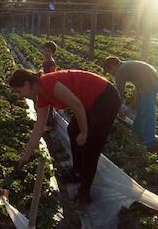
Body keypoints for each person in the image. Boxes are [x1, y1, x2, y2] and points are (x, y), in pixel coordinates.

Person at [9, 69, 121, 206]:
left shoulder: (48, 82)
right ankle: (76, 173)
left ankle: (85, 192)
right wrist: (25, 156)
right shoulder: (42, 96)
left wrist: (84, 132)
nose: (20, 96)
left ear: (26, 85)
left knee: (91, 144)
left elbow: (77, 105)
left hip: (105, 97)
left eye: (19, 91)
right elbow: (39, 128)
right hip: (89, 102)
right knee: (73, 130)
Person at [103, 57, 158, 150]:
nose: (110, 74)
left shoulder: (121, 70)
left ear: (112, 66)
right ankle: (136, 133)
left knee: (147, 112)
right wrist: (135, 100)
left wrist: (120, 108)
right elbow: (138, 82)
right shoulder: (126, 66)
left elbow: (119, 92)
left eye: (109, 71)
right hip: (149, 81)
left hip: (150, 83)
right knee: (141, 110)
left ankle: (150, 142)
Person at [41, 41, 57, 130]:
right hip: (44, 84)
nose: (46, 53)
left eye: (49, 51)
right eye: (45, 50)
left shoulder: (51, 63)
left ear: (52, 53)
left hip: (49, 86)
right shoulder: (45, 61)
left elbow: (52, 75)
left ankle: (50, 125)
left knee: (50, 106)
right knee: (45, 104)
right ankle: (45, 122)